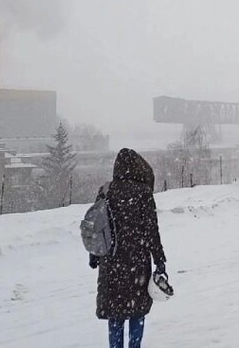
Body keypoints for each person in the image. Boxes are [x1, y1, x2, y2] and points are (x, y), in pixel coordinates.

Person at [89, 148, 166, 348]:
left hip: (111, 263)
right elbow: (151, 231)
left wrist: (94, 255)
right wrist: (159, 261)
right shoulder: (143, 193)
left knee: (116, 314)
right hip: (137, 262)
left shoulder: (106, 191)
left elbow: (97, 225)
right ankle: (134, 345)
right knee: (136, 312)